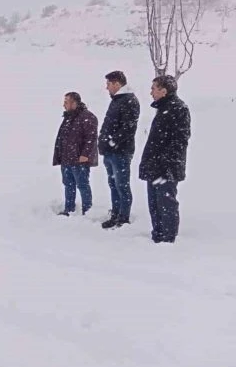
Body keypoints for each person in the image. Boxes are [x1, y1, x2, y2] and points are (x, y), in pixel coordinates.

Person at [138, 75, 191, 244]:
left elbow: (179, 141)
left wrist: (164, 163)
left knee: (166, 203)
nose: (151, 92)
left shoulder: (178, 108)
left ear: (164, 90)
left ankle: (167, 238)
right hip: (155, 166)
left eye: (154, 88)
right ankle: (158, 234)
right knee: (154, 203)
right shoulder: (163, 109)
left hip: (166, 168)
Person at [98, 71, 140, 229]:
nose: (106, 87)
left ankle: (123, 217)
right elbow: (108, 124)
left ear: (116, 83)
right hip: (110, 152)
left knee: (122, 184)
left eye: (108, 84)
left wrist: (111, 142)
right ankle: (115, 213)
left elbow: (128, 128)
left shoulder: (129, 100)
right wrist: (102, 142)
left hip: (121, 151)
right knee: (113, 184)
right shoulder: (116, 100)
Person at [53, 92, 99, 216]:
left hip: (79, 159)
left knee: (82, 185)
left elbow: (91, 138)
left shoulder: (87, 117)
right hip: (66, 159)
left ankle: (87, 211)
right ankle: (69, 209)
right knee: (68, 185)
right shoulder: (68, 117)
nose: (64, 105)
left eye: (66, 102)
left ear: (74, 103)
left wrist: (85, 154)